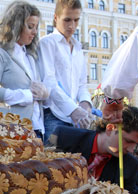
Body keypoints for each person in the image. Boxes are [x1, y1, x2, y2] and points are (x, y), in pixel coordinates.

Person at [52, 106, 138, 194]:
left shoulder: (130, 165)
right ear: (110, 129)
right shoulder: (63, 137)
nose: (131, 149)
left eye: (135, 144)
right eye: (128, 141)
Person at [0, 1, 48, 139]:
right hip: (12, 130)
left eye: (36, 27)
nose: (35, 32)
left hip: (37, 128)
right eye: (30, 27)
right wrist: (26, 95)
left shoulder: (30, 55)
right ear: (16, 26)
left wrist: (43, 93)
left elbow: (37, 91)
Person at [38, 0, 94, 143]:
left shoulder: (78, 48)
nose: (72, 26)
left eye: (76, 20)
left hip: (76, 118)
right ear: (56, 18)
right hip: (53, 116)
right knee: (52, 162)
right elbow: (48, 82)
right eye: (67, 20)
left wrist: (85, 104)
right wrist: (73, 110)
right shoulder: (47, 43)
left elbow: (82, 84)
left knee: (73, 164)